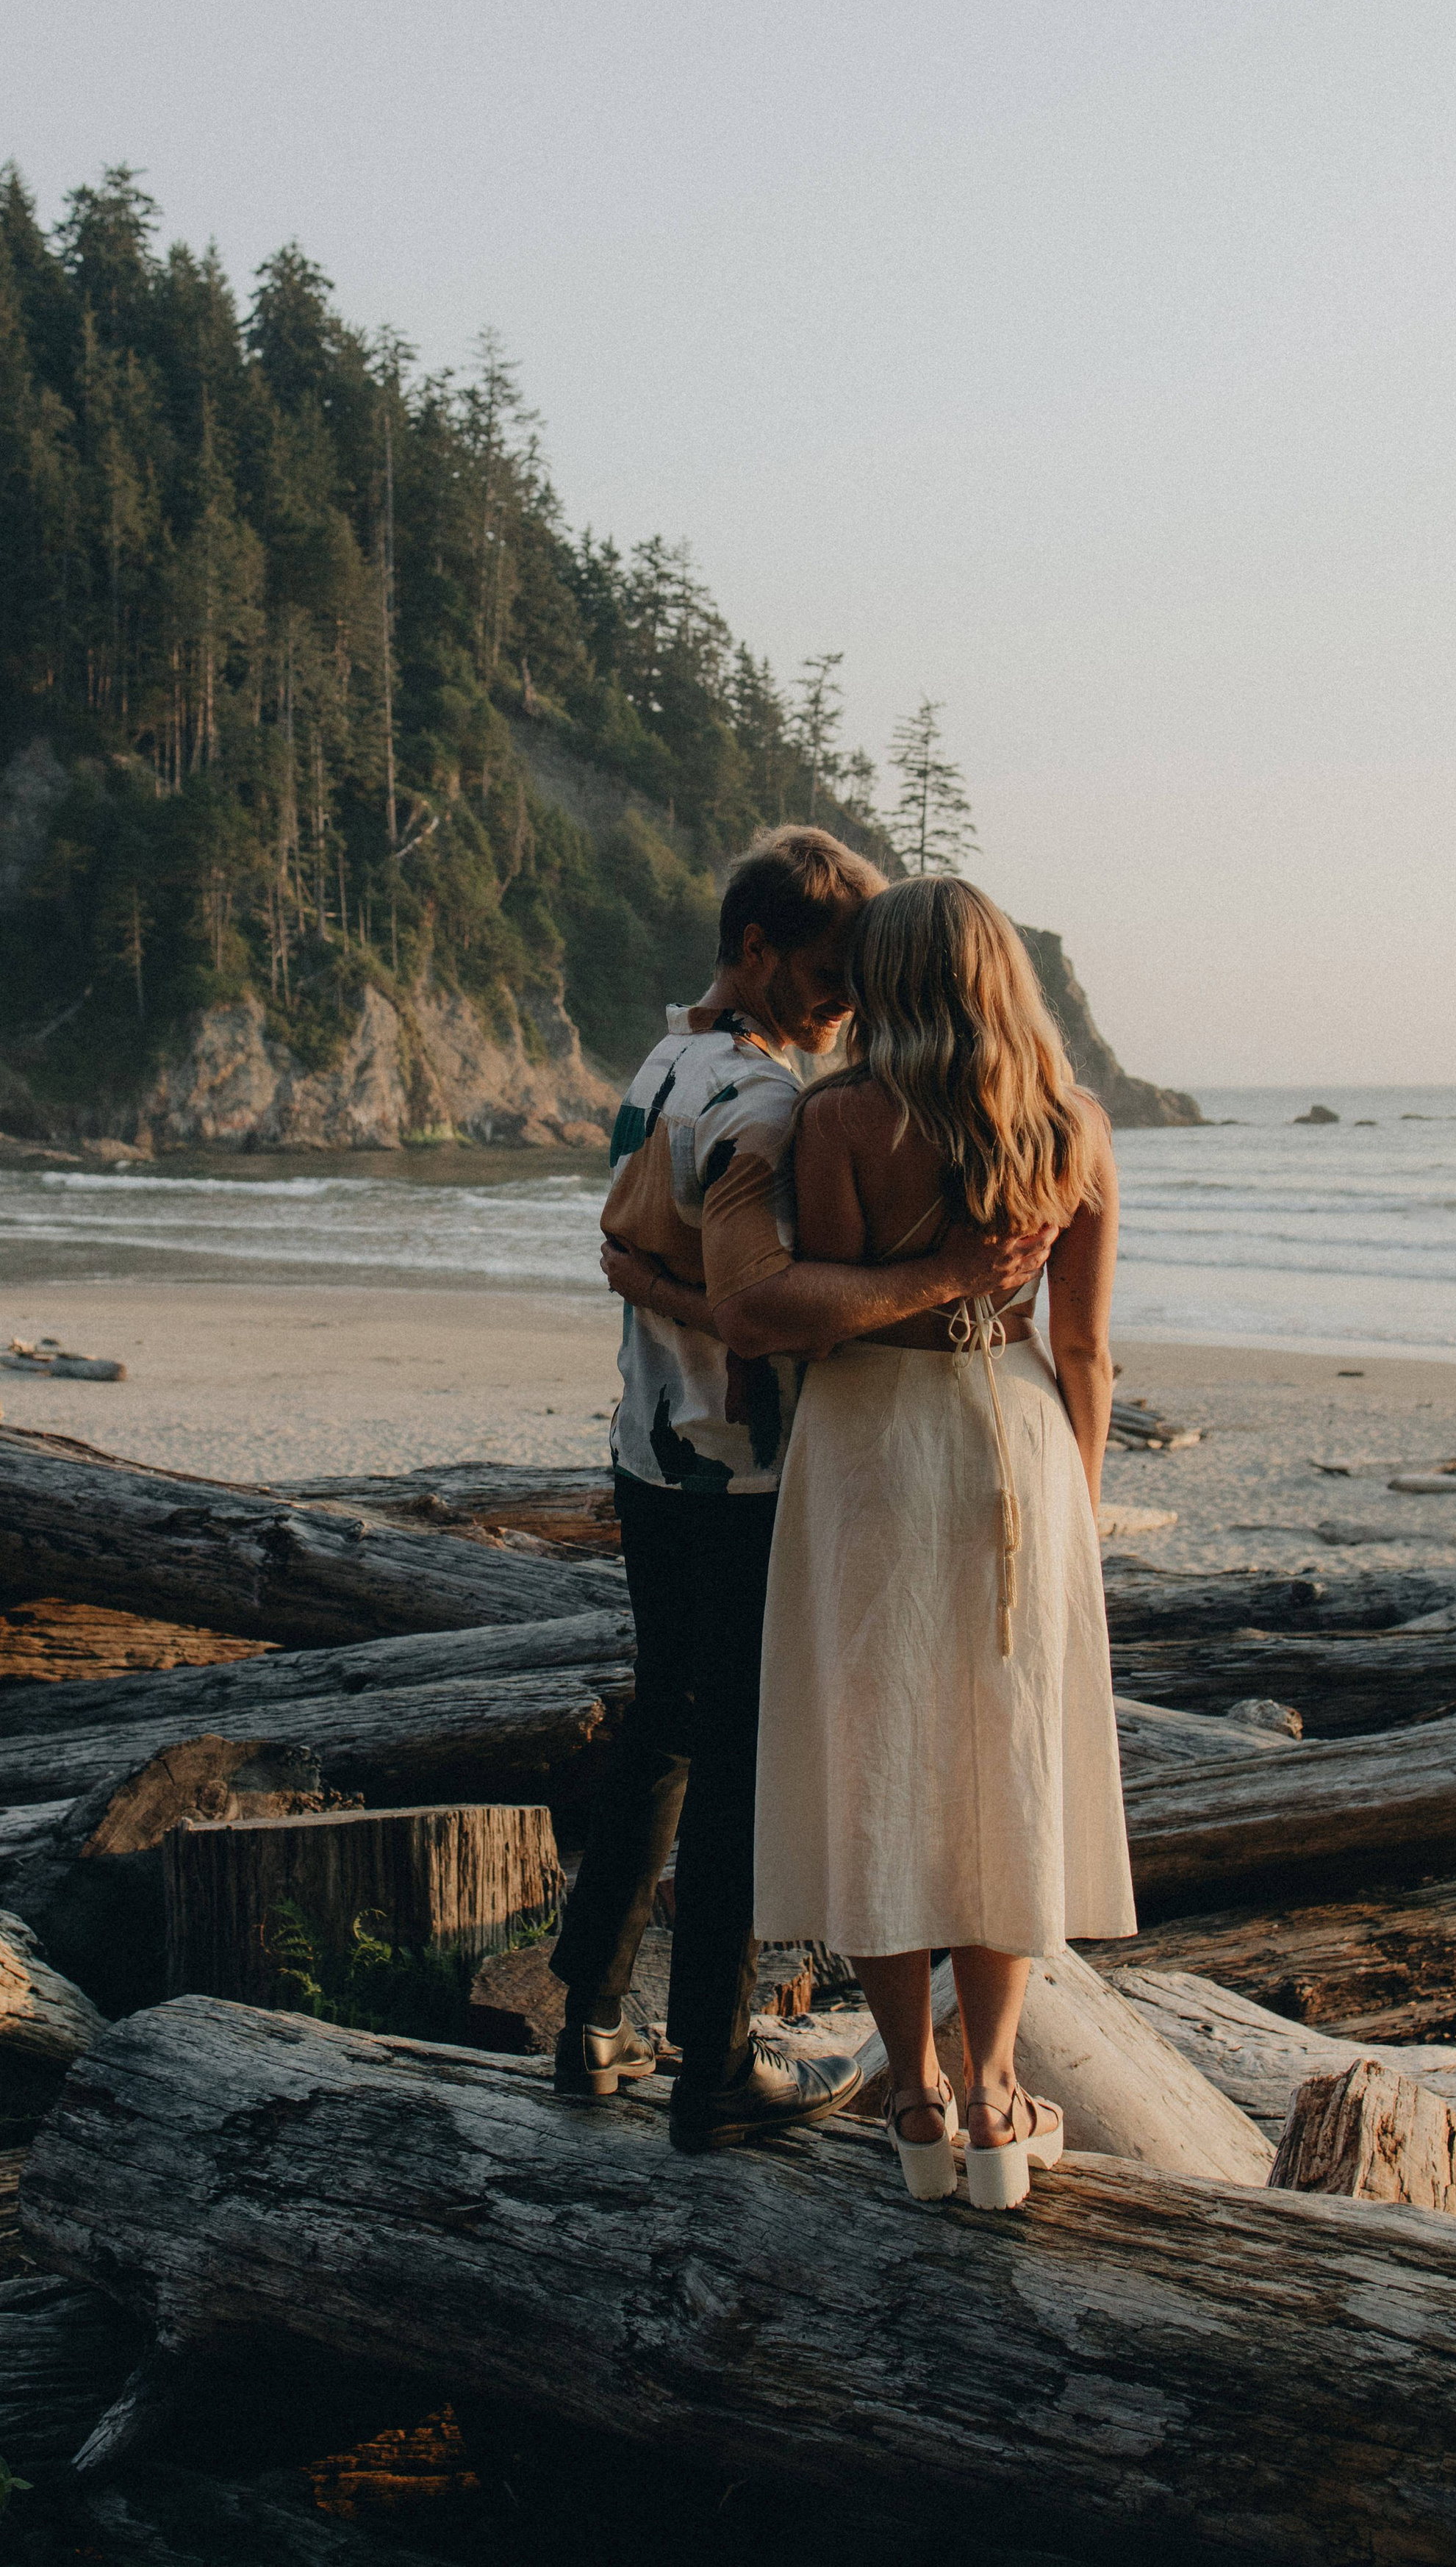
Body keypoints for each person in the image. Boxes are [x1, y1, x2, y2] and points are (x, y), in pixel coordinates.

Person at [555, 826, 1050, 2155]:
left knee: (665, 1724)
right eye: (832, 975)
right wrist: (949, 1276)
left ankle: (592, 2024)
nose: (850, 1004)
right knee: (740, 1766)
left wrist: (657, 1288)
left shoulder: (669, 1060)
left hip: (648, 1444)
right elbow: (766, 1308)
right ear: (757, 949)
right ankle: (715, 2066)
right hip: (744, 1464)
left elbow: (627, 1239)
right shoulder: (769, 1101)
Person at [752, 874, 1136, 2208]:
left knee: (882, 1756)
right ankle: (995, 2094)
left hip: (870, 1443)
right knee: (1001, 1756)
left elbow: (844, 1306)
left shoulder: (841, 1118)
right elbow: (1081, 1346)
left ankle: (911, 2093)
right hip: (1014, 1442)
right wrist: (1077, 1503)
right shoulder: (1072, 1124)